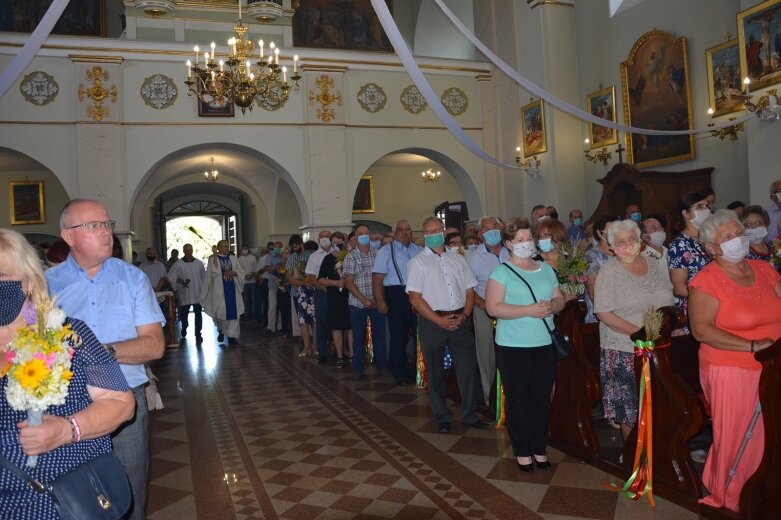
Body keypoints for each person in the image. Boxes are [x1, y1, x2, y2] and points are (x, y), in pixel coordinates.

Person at [0, 228, 136, 520]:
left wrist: (67, 429)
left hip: (55, 500)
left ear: (29, 283)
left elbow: (121, 403)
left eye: (1, 276)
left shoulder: (69, 337)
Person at [46, 199, 165, 520]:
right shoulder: (45, 284)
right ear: (68, 236)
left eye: (107, 225)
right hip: (69, 403)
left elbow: (154, 346)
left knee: (130, 488)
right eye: (94, 226)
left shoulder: (132, 278)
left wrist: (100, 352)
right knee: (74, 489)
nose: (106, 232)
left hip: (127, 397)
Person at [688, 210, 781, 512]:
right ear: (711, 248)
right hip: (732, 367)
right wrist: (752, 345)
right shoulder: (706, 281)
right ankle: (731, 492)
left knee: (773, 431)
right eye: (727, 237)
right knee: (740, 434)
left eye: (738, 233)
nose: (737, 240)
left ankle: (768, 489)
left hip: (774, 363)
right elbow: (702, 331)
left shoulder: (765, 270)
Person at [485, 217, 565, 472]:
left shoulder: (546, 268)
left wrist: (553, 306)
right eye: (519, 240)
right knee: (518, 399)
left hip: (544, 342)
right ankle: (522, 451)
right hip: (513, 344)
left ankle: (539, 448)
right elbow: (493, 307)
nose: (525, 244)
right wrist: (529, 309)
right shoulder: (501, 272)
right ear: (508, 243)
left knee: (541, 398)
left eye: (528, 239)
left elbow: (559, 299)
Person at [595, 220, 675, 441]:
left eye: (632, 238)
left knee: (660, 404)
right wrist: (642, 334)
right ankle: (633, 456)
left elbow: (671, 297)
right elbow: (604, 312)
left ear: (640, 239)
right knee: (630, 409)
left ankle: (658, 453)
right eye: (621, 241)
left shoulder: (655, 264)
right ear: (611, 247)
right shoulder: (609, 271)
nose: (628, 244)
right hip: (624, 349)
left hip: (660, 347)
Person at [406, 217, 485, 434]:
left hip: (460, 319)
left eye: (436, 230)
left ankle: (469, 414)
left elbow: (470, 291)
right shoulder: (417, 262)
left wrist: (465, 315)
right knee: (436, 372)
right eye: (428, 231)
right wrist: (438, 320)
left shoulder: (459, 259)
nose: (433, 234)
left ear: (443, 232)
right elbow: (415, 298)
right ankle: (442, 415)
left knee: (467, 370)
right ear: (423, 236)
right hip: (433, 321)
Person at [373, 219, 423, 386]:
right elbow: (378, 278)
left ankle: (419, 370)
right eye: (400, 230)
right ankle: (399, 371)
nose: (404, 232)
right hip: (396, 293)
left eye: (407, 229)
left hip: (419, 293)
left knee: (419, 333)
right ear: (394, 233)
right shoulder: (386, 251)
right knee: (398, 335)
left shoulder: (420, 250)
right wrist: (380, 301)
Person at [468, 216, 510, 406]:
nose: (492, 230)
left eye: (495, 226)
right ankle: (489, 397)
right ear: (480, 234)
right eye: (487, 228)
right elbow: (469, 290)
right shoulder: (474, 258)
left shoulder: (511, 251)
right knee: (487, 354)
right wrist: (487, 307)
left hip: (512, 309)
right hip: (484, 309)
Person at [344, 225, 387, 380]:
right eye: (360, 234)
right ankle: (357, 368)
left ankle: (382, 366)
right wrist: (364, 300)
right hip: (357, 303)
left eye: (366, 233)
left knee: (380, 336)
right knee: (358, 337)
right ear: (355, 237)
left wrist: (377, 299)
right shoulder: (351, 257)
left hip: (376, 302)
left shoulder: (378, 254)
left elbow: (382, 279)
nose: (363, 236)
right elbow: (349, 282)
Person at [668, 191, 711, 328]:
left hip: (719, 303)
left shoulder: (712, 240)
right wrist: (707, 299)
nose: (706, 210)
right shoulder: (679, 245)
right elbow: (679, 287)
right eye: (700, 206)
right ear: (685, 213)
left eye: (707, 206)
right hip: (698, 307)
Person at [200, 239, 245, 345]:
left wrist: (234, 273)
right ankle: (221, 330)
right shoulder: (213, 259)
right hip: (219, 291)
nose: (227, 248)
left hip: (232, 289)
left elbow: (240, 271)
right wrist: (215, 255)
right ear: (219, 248)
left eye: (227, 246)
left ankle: (232, 337)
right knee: (221, 313)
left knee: (234, 314)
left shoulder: (233, 258)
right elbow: (214, 272)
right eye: (224, 246)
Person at [317, 233, 352, 366]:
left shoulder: (350, 256)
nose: (337, 245)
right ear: (331, 245)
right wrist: (335, 283)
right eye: (335, 243)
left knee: (350, 326)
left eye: (340, 242)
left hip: (350, 295)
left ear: (344, 242)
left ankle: (352, 354)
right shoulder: (327, 259)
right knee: (336, 326)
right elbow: (320, 279)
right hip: (334, 296)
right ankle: (339, 356)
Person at [167, 243, 205, 343]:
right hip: (185, 292)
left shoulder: (199, 263)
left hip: (197, 292)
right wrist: (179, 281)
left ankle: (198, 334)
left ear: (192, 250)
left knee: (198, 314)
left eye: (190, 250)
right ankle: (184, 327)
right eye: (186, 250)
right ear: (183, 251)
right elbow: (171, 277)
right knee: (184, 314)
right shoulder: (178, 264)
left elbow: (203, 278)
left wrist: (204, 291)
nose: (189, 252)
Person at [584, 215, 617, 323]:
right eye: (610, 230)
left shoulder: (620, 253)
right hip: (601, 317)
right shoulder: (592, 255)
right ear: (599, 233)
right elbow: (593, 292)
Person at [306, 230, 332, 363]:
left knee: (336, 321)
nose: (325, 239)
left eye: (327, 236)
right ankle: (322, 351)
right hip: (321, 292)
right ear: (318, 239)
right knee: (321, 322)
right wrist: (324, 288)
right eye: (322, 237)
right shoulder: (314, 256)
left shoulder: (337, 253)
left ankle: (338, 350)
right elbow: (311, 277)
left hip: (337, 291)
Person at [288, 238, 316, 357]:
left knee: (315, 320)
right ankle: (306, 346)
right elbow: (289, 277)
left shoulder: (311, 256)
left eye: (296, 246)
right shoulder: (292, 257)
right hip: (299, 293)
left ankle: (315, 346)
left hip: (314, 291)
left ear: (301, 244)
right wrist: (303, 283)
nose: (295, 249)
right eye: (293, 248)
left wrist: (311, 282)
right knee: (302, 321)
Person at [263, 241, 284, 335]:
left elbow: (284, 270)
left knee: (281, 307)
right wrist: (278, 267)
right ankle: (270, 328)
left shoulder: (284, 256)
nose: (277, 248)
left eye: (279, 247)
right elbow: (268, 269)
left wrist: (275, 268)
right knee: (272, 307)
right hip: (272, 285)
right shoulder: (270, 256)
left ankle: (280, 327)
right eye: (276, 247)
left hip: (283, 285)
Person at [237, 245, 258, 322]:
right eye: (243, 249)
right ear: (241, 249)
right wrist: (244, 276)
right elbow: (238, 270)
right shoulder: (238, 259)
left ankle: (254, 316)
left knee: (253, 299)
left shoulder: (253, 257)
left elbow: (256, 268)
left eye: (246, 249)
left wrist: (251, 274)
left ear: (248, 249)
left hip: (252, 281)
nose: (245, 250)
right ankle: (246, 316)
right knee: (245, 300)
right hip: (244, 282)